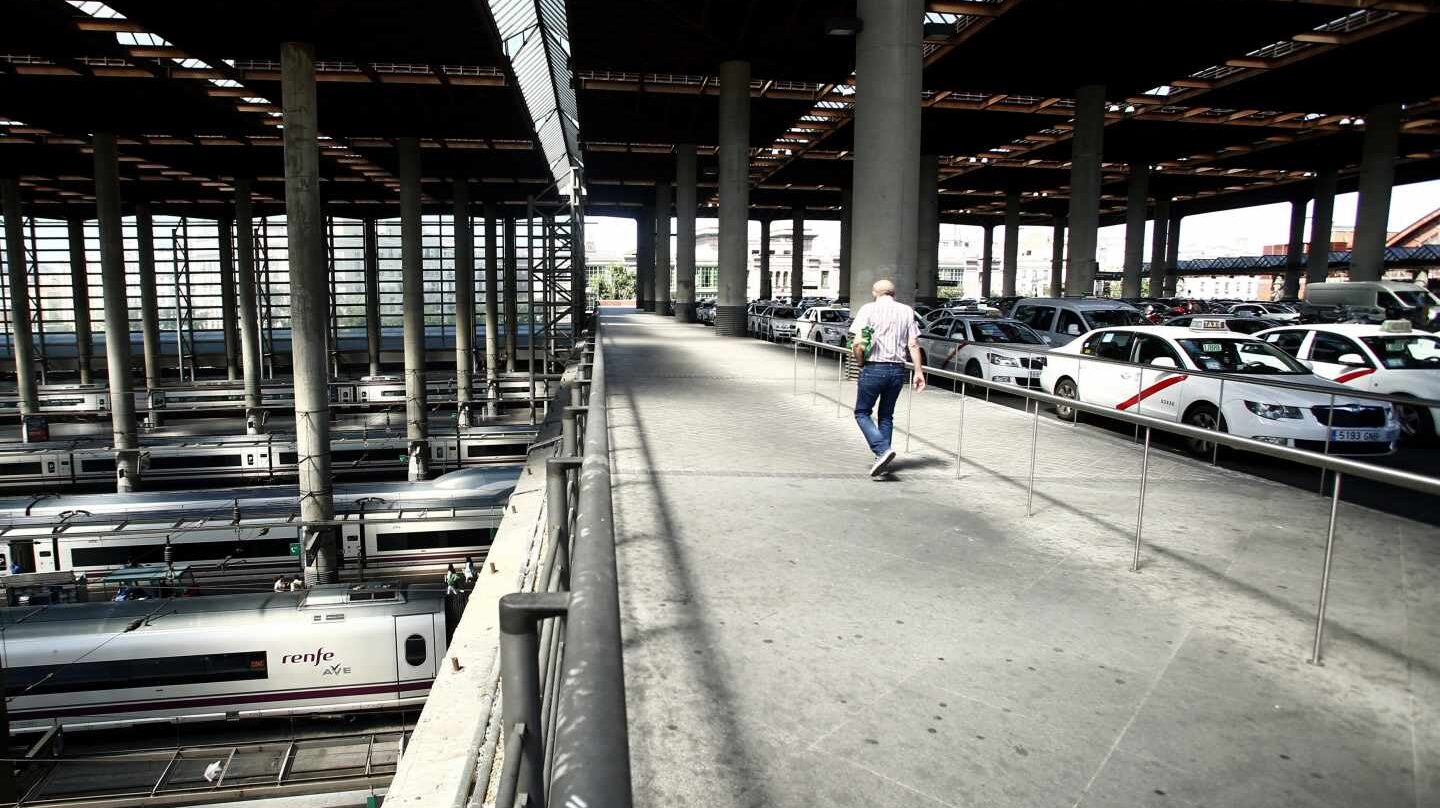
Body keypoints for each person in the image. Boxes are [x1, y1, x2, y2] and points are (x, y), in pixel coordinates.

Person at [847, 279, 926, 478]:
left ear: (875, 292)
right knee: (886, 415)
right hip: (898, 370)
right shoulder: (907, 311)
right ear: (894, 293)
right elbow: (914, 344)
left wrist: (860, 362)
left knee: (862, 412)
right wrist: (918, 371)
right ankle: (882, 460)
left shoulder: (868, 309)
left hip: (873, 367)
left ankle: (882, 450)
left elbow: (857, 344)